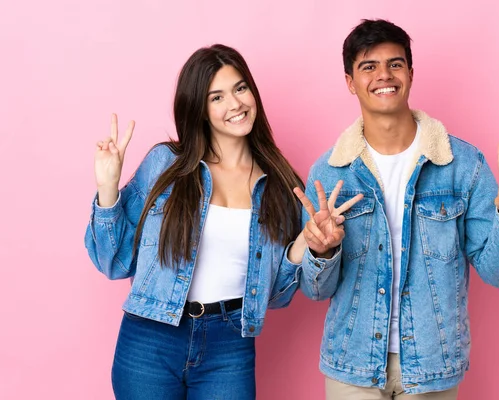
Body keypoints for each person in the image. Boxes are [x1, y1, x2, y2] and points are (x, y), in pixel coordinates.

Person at [84, 44, 360, 400]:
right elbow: (114, 263)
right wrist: (108, 191)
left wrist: (306, 243)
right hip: (151, 338)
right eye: (217, 97)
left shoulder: (279, 183)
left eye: (240, 88)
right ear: (199, 108)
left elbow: (274, 296)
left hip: (229, 343)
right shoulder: (165, 165)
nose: (235, 104)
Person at [295, 19, 499, 399]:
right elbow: (315, 290)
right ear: (349, 81)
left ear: (410, 73)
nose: (383, 75)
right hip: (352, 364)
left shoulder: (463, 164)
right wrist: (321, 250)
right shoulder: (330, 173)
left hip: (433, 363)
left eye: (395, 63)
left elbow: (498, 273)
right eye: (368, 66)